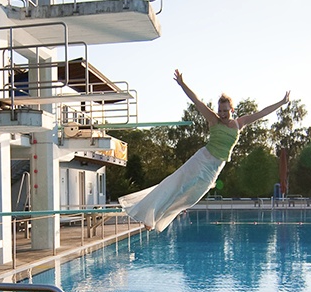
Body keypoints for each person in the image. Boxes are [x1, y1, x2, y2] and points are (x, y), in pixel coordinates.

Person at [119, 69, 291, 231]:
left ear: (232, 109)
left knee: (191, 198)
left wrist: (282, 102)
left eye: (225, 111)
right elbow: (196, 101)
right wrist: (182, 84)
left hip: (215, 168)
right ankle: (150, 217)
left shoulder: (239, 123)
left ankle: (159, 217)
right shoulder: (213, 120)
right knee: (177, 184)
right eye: (220, 111)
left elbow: (262, 113)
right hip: (202, 159)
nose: (222, 114)